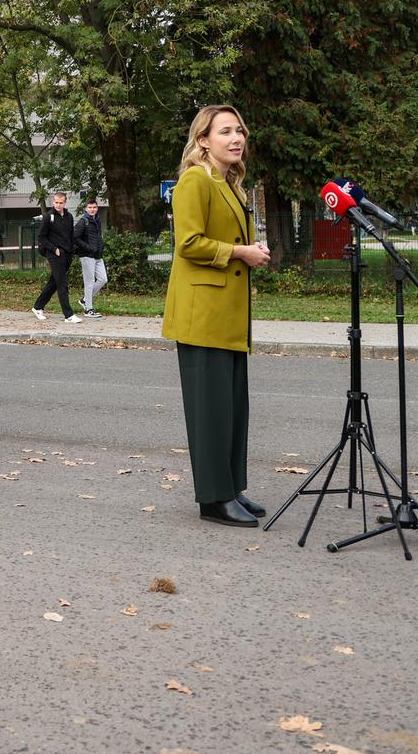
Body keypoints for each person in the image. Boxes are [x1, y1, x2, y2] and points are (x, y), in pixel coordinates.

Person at [161, 104, 272, 528]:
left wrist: (250, 248)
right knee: (210, 412)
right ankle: (213, 499)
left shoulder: (231, 184)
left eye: (240, 130)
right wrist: (241, 252)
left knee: (232, 408)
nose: (236, 138)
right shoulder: (195, 180)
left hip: (227, 316)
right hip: (201, 315)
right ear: (203, 140)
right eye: (225, 131)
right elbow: (188, 243)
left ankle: (231, 487)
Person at [31, 192, 81, 324]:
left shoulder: (69, 217)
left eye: (61, 203)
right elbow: (41, 237)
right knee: (62, 284)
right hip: (54, 254)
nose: (58, 205)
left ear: (65, 203)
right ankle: (68, 315)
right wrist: (54, 249)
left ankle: (37, 307)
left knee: (54, 282)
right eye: (56, 202)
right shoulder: (48, 217)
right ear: (53, 202)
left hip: (67, 254)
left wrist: (72, 251)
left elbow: (71, 235)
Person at [76, 199, 108, 318]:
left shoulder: (97, 220)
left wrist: (98, 249)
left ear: (97, 208)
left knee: (103, 279)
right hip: (86, 256)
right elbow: (75, 237)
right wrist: (88, 248)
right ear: (86, 208)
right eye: (90, 207)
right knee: (89, 283)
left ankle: (85, 300)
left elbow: (98, 237)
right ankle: (88, 309)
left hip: (98, 255)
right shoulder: (83, 221)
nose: (92, 209)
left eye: (94, 207)